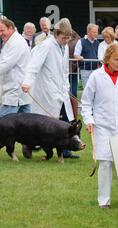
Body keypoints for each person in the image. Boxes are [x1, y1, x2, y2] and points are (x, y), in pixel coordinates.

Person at [81, 44, 118, 209]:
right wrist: (89, 120)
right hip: (102, 126)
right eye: (116, 59)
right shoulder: (96, 76)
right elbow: (86, 102)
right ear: (107, 59)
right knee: (105, 162)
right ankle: (104, 201)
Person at [22, 18, 79, 159]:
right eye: (64, 38)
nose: (66, 41)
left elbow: (64, 69)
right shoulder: (46, 46)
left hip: (60, 90)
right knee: (42, 125)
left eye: (68, 38)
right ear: (56, 34)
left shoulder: (64, 47)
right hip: (46, 90)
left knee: (66, 121)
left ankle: (65, 150)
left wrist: (66, 87)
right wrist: (27, 82)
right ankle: (28, 145)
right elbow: (33, 65)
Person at [0, 16, 31, 118]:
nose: (0, 34)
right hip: (18, 92)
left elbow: (4, 65)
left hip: (14, 92)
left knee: (5, 121)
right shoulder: (11, 41)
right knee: (26, 126)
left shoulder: (16, 43)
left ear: (11, 28)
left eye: (2, 30)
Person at [74, 23, 100, 88]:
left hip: (95, 70)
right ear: (88, 32)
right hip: (84, 70)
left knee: (95, 88)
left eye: (97, 32)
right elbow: (76, 54)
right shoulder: (81, 41)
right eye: (94, 32)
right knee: (87, 88)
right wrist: (80, 57)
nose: (96, 34)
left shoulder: (97, 42)